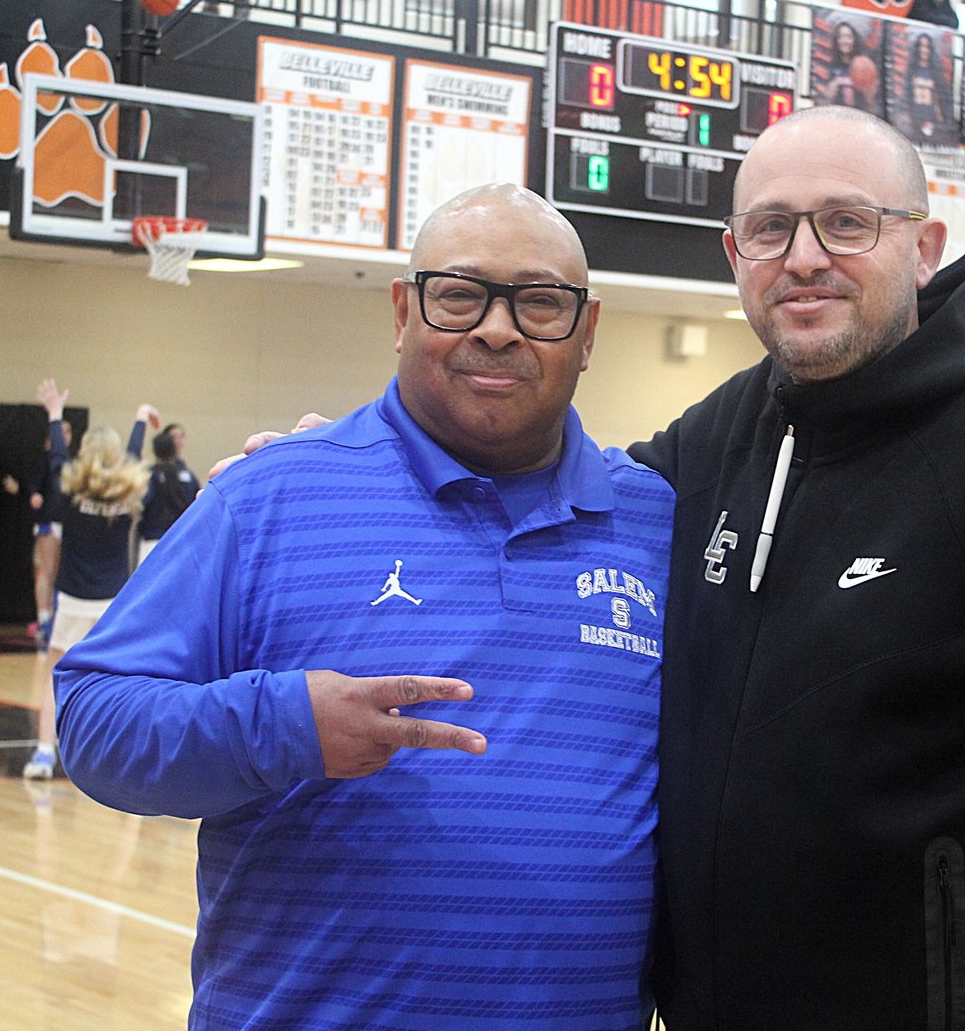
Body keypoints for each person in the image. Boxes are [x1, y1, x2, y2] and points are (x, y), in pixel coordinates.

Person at [231, 109, 965, 1027]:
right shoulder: (729, 432)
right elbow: (543, 488)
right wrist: (354, 467)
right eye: (770, 229)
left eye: (845, 222)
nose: (804, 258)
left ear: (923, 247)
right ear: (734, 253)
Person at [55, 185, 674, 1028]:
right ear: (402, 310)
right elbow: (94, 717)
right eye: (460, 294)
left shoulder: (655, 522)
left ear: (588, 331)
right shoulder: (270, 495)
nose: (498, 327)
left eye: (539, 302)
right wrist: (282, 725)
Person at [23, 381, 155, 780]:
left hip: (74, 601)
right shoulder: (127, 494)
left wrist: (54, 413)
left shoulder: (69, 491)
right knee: (120, 681)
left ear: (83, 455)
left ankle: (45, 754)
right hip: (112, 603)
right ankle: (125, 755)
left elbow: (56, 459)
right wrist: (140, 420)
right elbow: (133, 456)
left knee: (55, 674)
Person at [3, 417, 74, 643]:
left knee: (60, 573)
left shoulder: (72, 463)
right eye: (59, 432)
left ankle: (57, 618)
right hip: (49, 522)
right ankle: (44, 619)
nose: (64, 436)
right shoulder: (45, 460)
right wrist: (33, 494)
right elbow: (32, 483)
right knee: (46, 570)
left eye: (68, 432)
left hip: (68, 523)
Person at [135, 426, 199, 564]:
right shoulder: (189, 476)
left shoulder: (149, 475)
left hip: (153, 542)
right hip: (181, 542)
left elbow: (141, 503)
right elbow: (197, 505)